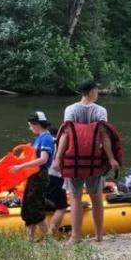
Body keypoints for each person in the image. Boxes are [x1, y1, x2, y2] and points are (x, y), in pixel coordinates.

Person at [52, 80, 119, 243]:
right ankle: (98, 235)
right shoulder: (100, 111)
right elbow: (105, 136)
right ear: (92, 91)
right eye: (97, 90)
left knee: (75, 197)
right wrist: (111, 158)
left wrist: (58, 159)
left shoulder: (70, 110)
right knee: (96, 198)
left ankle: (75, 236)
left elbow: (65, 135)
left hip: (74, 161)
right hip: (93, 161)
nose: (98, 93)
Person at [10, 111, 53, 240]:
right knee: (28, 207)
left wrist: (21, 166)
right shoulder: (38, 139)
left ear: (37, 124)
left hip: (40, 176)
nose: (30, 128)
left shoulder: (46, 138)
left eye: (30, 125)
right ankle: (30, 239)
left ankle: (48, 239)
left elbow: (43, 159)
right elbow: (34, 155)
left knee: (36, 207)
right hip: (33, 176)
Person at [46, 126, 68, 236]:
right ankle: (50, 235)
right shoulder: (59, 143)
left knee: (46, 199)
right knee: (61, 207)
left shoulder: (40, 141)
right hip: (55, 176)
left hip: (40, 176)